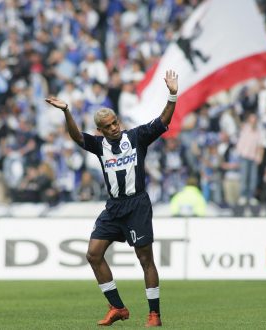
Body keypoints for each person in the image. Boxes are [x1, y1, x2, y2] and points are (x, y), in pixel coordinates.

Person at [45, 69, 178, 327]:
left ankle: (154, 314)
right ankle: (117, 307)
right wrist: (66, 112)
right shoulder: (99, 145)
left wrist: (172, 95)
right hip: (114, 207)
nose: (114, 128)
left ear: (118, 120)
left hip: (137, 204)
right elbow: (76, 137)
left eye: (115, 123)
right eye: (108, 127)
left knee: (145, 259)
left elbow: (163, 120)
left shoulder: (136, 137)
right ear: (101, 130)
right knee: (93, 254)